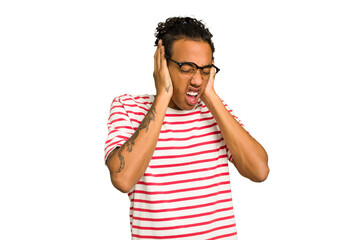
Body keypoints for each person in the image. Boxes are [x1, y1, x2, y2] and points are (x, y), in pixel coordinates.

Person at [104, 16, 269, 239]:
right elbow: (123, 179)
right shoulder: (128, 107)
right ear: (162, 63)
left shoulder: (216, 113)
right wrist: (163, 95)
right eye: (187, 68)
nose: (197, 81)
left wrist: (211, 97)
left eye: (204, 70)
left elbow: (260, 171)